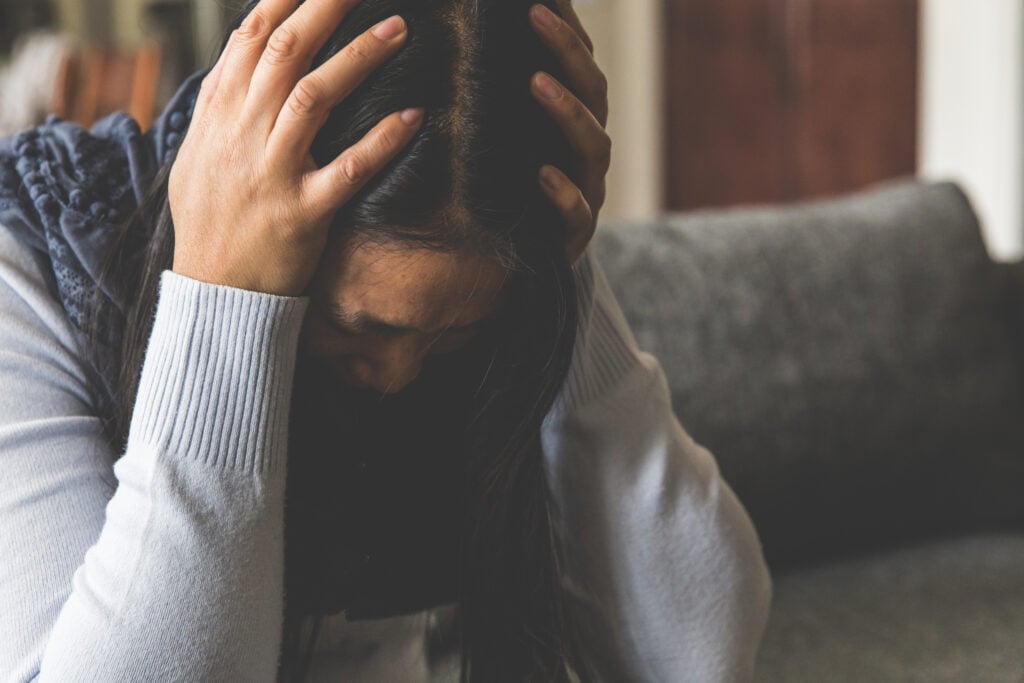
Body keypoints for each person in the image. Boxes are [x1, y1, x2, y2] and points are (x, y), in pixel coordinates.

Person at [0, 0, 772, 680]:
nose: (402, 375)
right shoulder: (24, 268)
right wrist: (224, 299)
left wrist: (554, 272)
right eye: (357, 327)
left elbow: (700, 657)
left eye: (453, 335)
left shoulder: (497, 284)